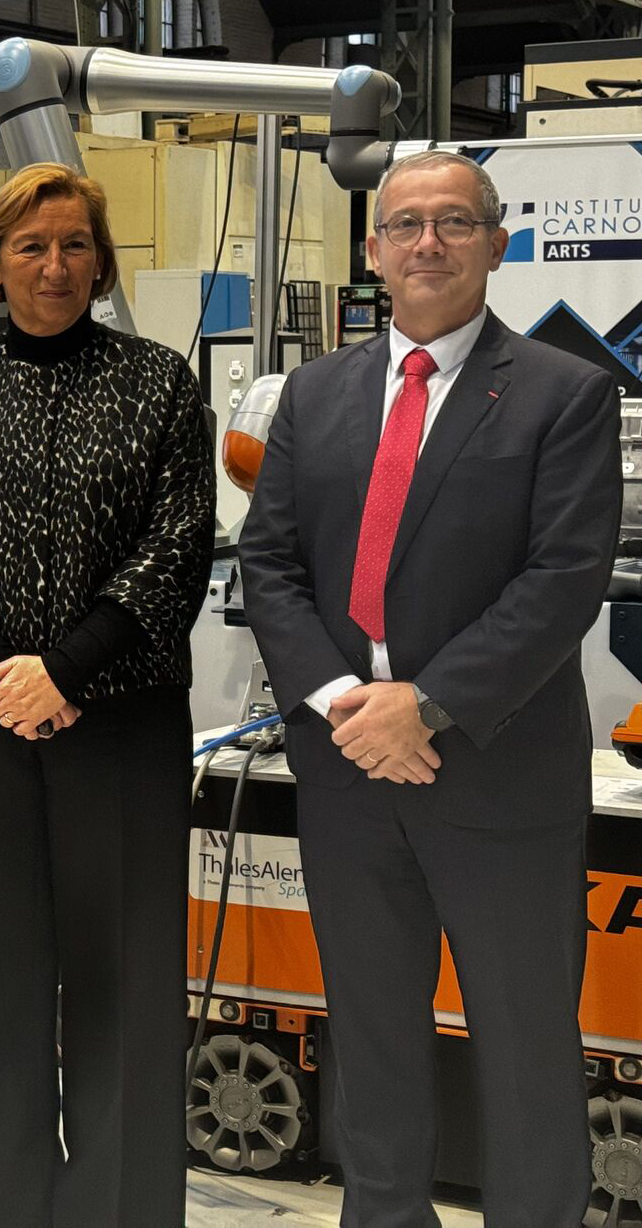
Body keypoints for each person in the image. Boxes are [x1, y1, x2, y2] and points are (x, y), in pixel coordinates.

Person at [238, 149, 619, 1226]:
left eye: (454, 222)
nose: (428, 243)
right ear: (373, 250)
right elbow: (268, 564)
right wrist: (340, 704)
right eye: (405, 224)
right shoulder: (314, 394)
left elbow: (562, 578)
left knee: (525, 1045)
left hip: (496, 777)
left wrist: (426, 703)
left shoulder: (564, 392)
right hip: (348, 772)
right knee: (369, 1038)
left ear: (495, 243)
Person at [0, 163, 214, 1226]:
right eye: (30, 246)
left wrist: (64, 670)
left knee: (126, 980)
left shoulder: (159, 383)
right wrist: (3, 673)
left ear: (101, 263)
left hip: (118, 720)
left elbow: (177, 545)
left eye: (74, 245)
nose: (54, 266)